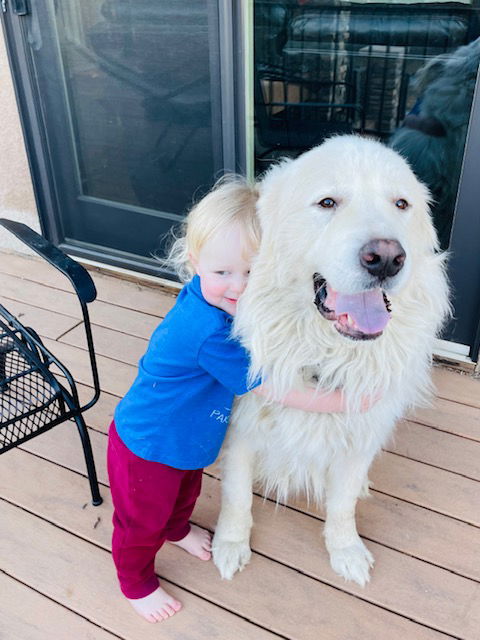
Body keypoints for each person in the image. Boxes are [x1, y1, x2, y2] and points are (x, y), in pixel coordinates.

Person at [107, 178, 377, 624]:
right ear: (194, 263)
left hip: (187, 440)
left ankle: (176, 530)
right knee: (140, 522)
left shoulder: (208, 297)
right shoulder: (209, 330)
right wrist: (342, 402)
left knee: (184, 494)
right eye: (224, 273)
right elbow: (270, 385)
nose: (239, 287)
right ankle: (135, 583)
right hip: (149, 446)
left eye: (253, 273)